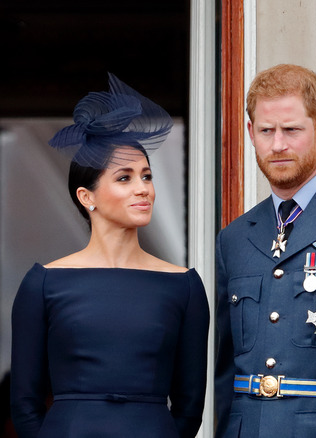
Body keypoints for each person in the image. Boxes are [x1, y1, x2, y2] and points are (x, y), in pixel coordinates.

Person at [10, 73, 210, 438]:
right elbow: (24, 402)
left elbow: (190, 405)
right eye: (125, 178)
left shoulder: (184, 286)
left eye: (147, 176)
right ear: (87, 197)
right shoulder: (43, 282)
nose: (143, 189)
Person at [214, 64, 316, 438]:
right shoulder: (233, 238)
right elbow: (225, 371)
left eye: (291, 130)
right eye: (266, 131)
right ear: (251, 133)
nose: (277, 144)